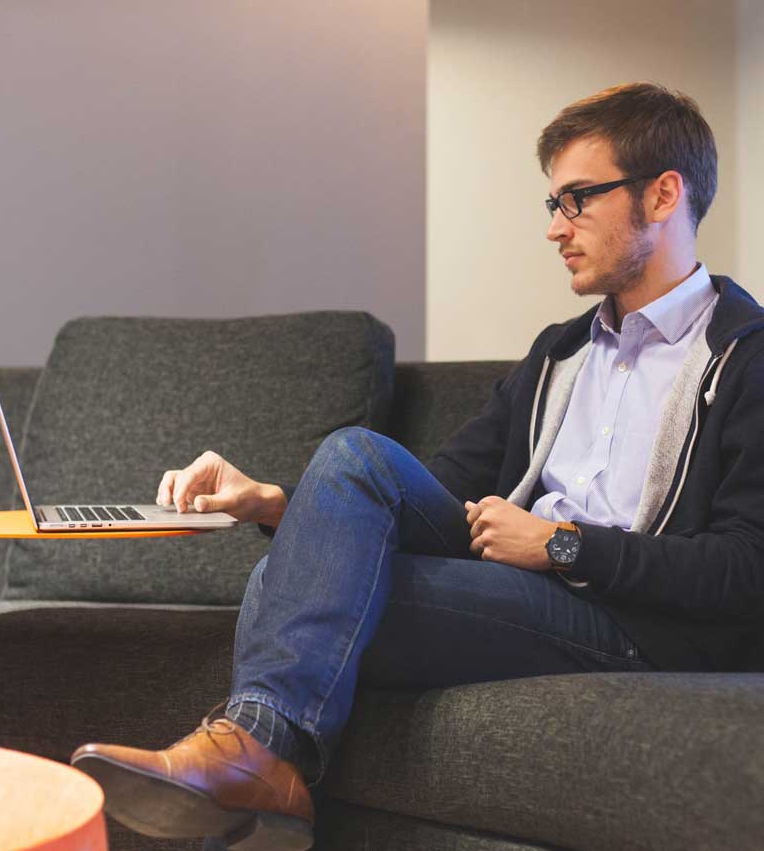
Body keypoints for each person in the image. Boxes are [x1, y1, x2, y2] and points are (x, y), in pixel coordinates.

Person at [71, 83, 764, 850]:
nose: (555, 228)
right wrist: (272, 501)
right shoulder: (561, 353)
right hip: (528, 587)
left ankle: (256, 767)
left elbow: (747, 568)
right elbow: (425, 490)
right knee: (350, 464)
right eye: (553, 204)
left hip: (638, 624)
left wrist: (562, 545)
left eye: (577, 199)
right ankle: (261, 769)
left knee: (284, 586)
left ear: (663, 194)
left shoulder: (745, 356)